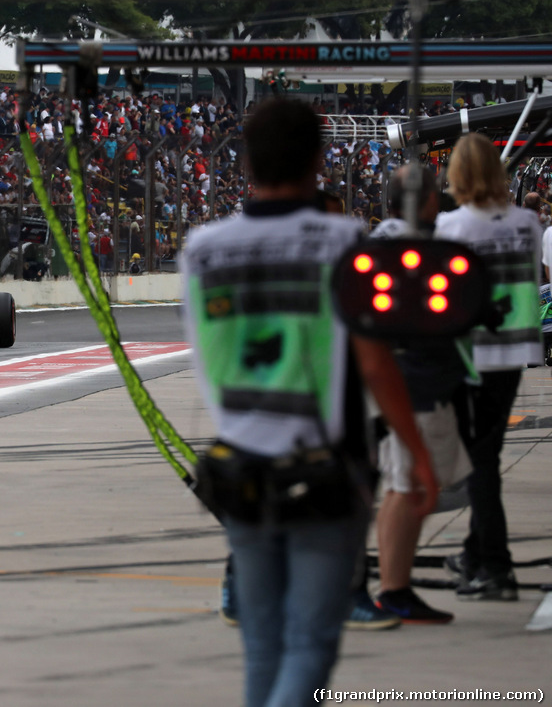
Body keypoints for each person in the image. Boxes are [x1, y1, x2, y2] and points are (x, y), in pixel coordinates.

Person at [182, 98, 437, 707]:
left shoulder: (202, 247)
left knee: (263, 645)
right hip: (325, 468)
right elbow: (375, 362)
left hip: (238, 464)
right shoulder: (344, 239)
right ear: (321, 161)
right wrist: (416, 451)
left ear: (245, 163)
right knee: (310, 644)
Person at [435, 132, 542, 601]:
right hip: (514, 351)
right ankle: (475, 552)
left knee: (478, 463)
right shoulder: (528, 222)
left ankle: (495, 565)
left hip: (470, 355)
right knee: (487, 456)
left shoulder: (453, 228)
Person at [370, 165, 473, 624]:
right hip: (417, 378)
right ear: (426, 200)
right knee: (407, 485)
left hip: (413, 377)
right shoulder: (409, 244)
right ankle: (394, 588)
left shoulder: (387, 237)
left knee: (404, 484)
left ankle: (397, 586)